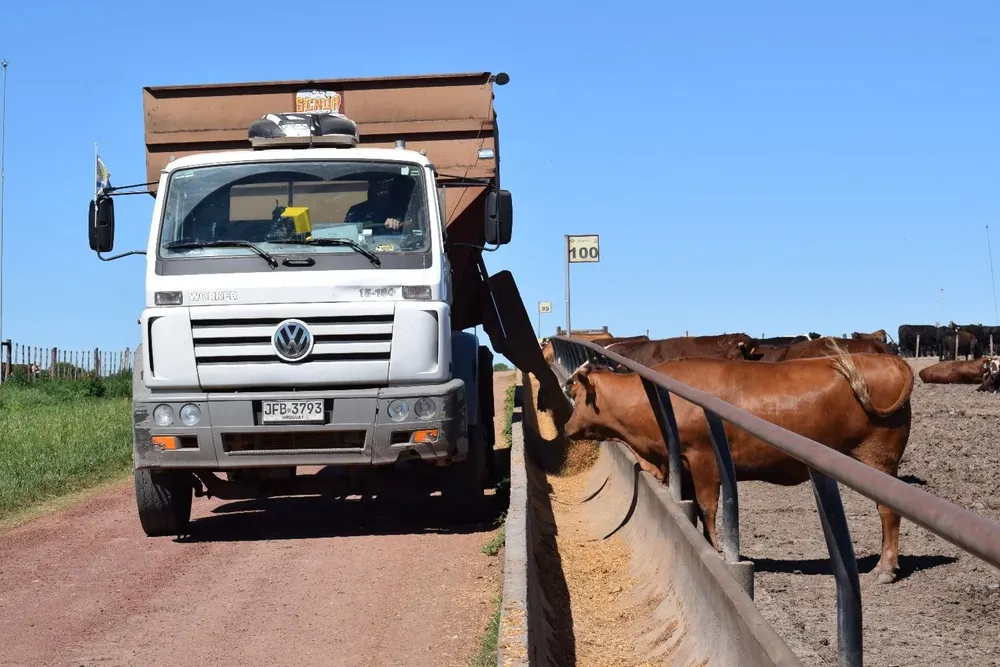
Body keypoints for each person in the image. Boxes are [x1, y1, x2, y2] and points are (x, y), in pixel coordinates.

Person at [345, 174, 412, 234]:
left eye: (386, 183)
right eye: (377, 184)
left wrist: (401, 224)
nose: (381, 189)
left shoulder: (404, 210)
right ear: (370, 187)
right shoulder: (355, 211)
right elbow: (348, 234)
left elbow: (415, 227)